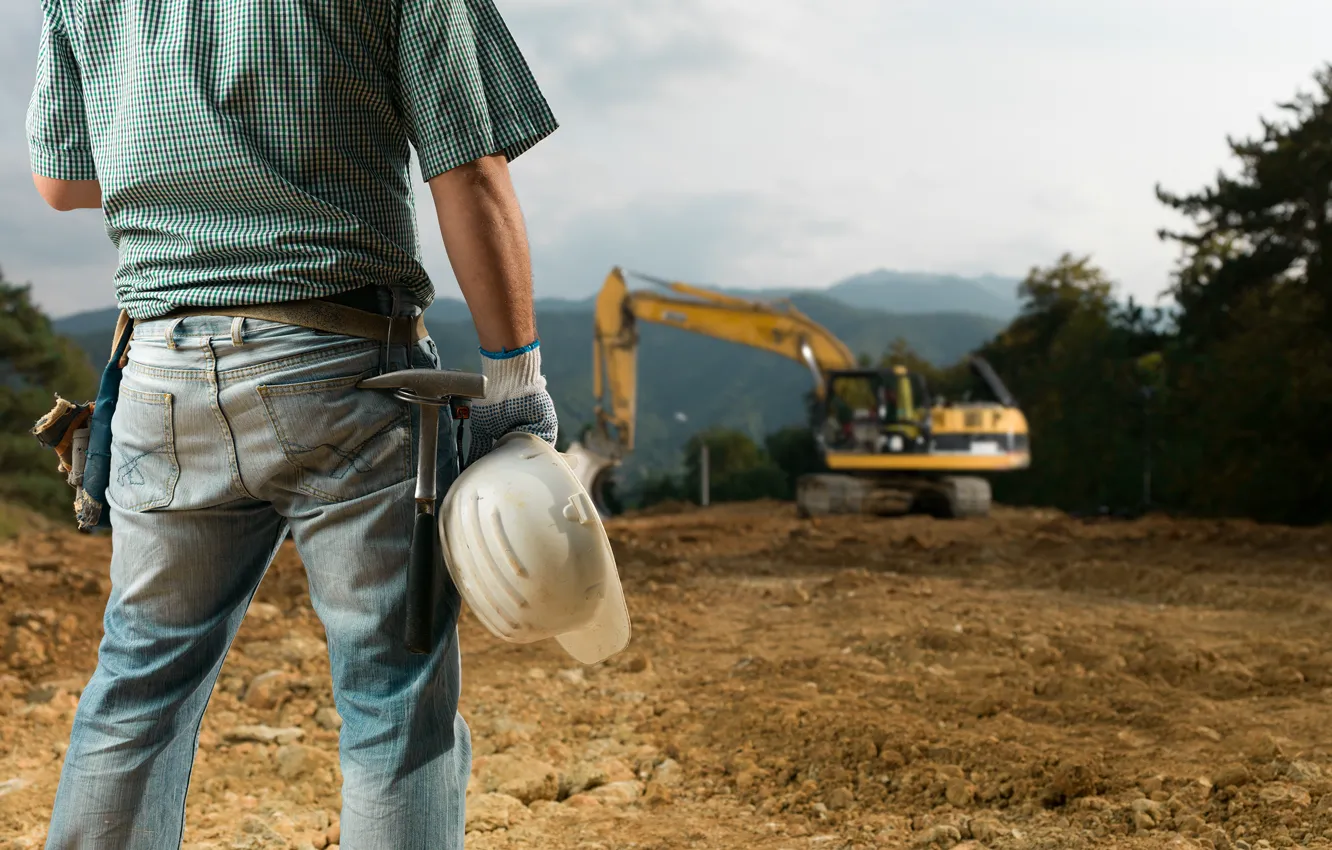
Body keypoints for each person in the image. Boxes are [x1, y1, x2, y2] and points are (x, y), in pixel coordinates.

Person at [25, 0, 559, 846]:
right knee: (392, 698)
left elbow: (61, 183)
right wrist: (514, 380)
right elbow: (471, 169)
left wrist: (198, 149)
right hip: (342, 362)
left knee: (136, 688)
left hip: (163, 371)